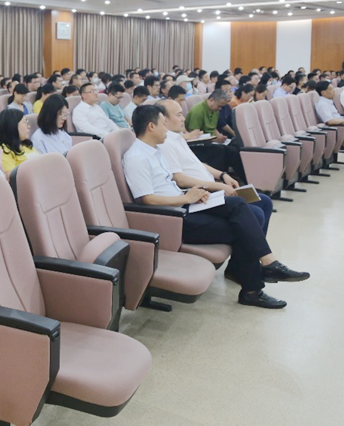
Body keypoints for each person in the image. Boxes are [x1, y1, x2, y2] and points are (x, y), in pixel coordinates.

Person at [123, 105, 308, 309]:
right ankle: (256, 283)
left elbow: (169, 185)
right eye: (163, 124)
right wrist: (186, 198)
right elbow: (147, 199)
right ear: (151, 126)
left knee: (241, 205)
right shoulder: (136, 158)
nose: (166, 128)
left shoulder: (155, 151)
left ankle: (262, 273)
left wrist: (193, 195)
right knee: (246, 224)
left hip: (184, 204)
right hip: (174, 219)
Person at [157, 100, 272, 232]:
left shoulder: (177, 138)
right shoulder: (165, 143)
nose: (183, 119)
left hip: (211, 188)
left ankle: (253, 244)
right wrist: (218, 186)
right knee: (256, 213)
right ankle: (251, 244)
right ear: (164, 119)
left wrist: (223, 175)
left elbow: (197, 163)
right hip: (202, 195)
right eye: (179, 115)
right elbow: (179, 179)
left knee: (265, 202)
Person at [0, 109, 39, 175]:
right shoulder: (4, 151)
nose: (29, 126)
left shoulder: (26, 144)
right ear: (13, 125)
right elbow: (12, 177)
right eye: (25, 122)